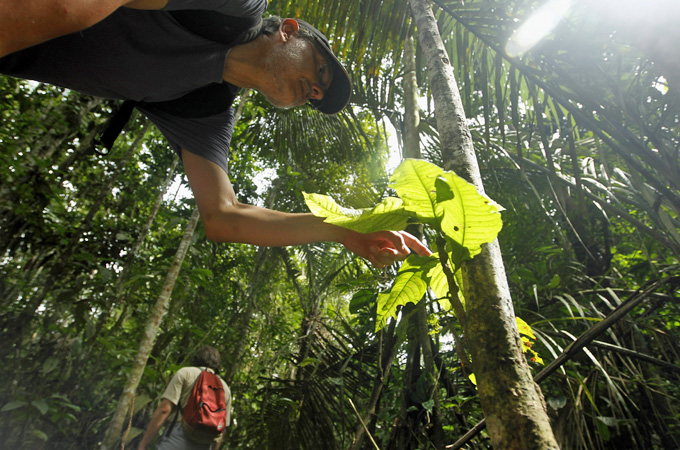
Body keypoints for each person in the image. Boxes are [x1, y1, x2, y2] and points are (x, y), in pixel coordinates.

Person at [0, 1, 431, 268]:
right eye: (319, 71)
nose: (315, 91)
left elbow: (224, 216)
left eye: (317, 97)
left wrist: (343, 230)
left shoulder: (207, 108)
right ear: (288, 31)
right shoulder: (236, 6)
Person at [137, 346, 231, 450]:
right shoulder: (225, 388)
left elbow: (164, 410)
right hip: (205, 443)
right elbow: (222, 430)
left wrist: (143, 444)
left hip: (177, 437)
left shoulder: (186, 373)